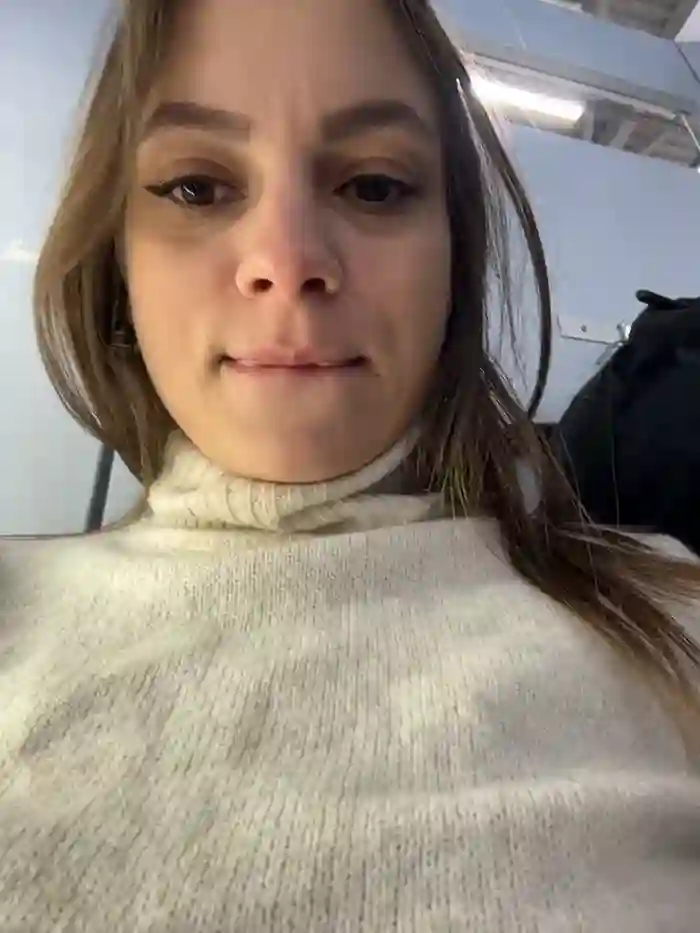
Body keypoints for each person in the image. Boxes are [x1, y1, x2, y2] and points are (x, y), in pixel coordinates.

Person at [1, 0, 699, 929]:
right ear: (117, 261)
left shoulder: (671, 620)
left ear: (454, 259)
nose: (287, 260)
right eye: (197, 187)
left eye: (373, 185)